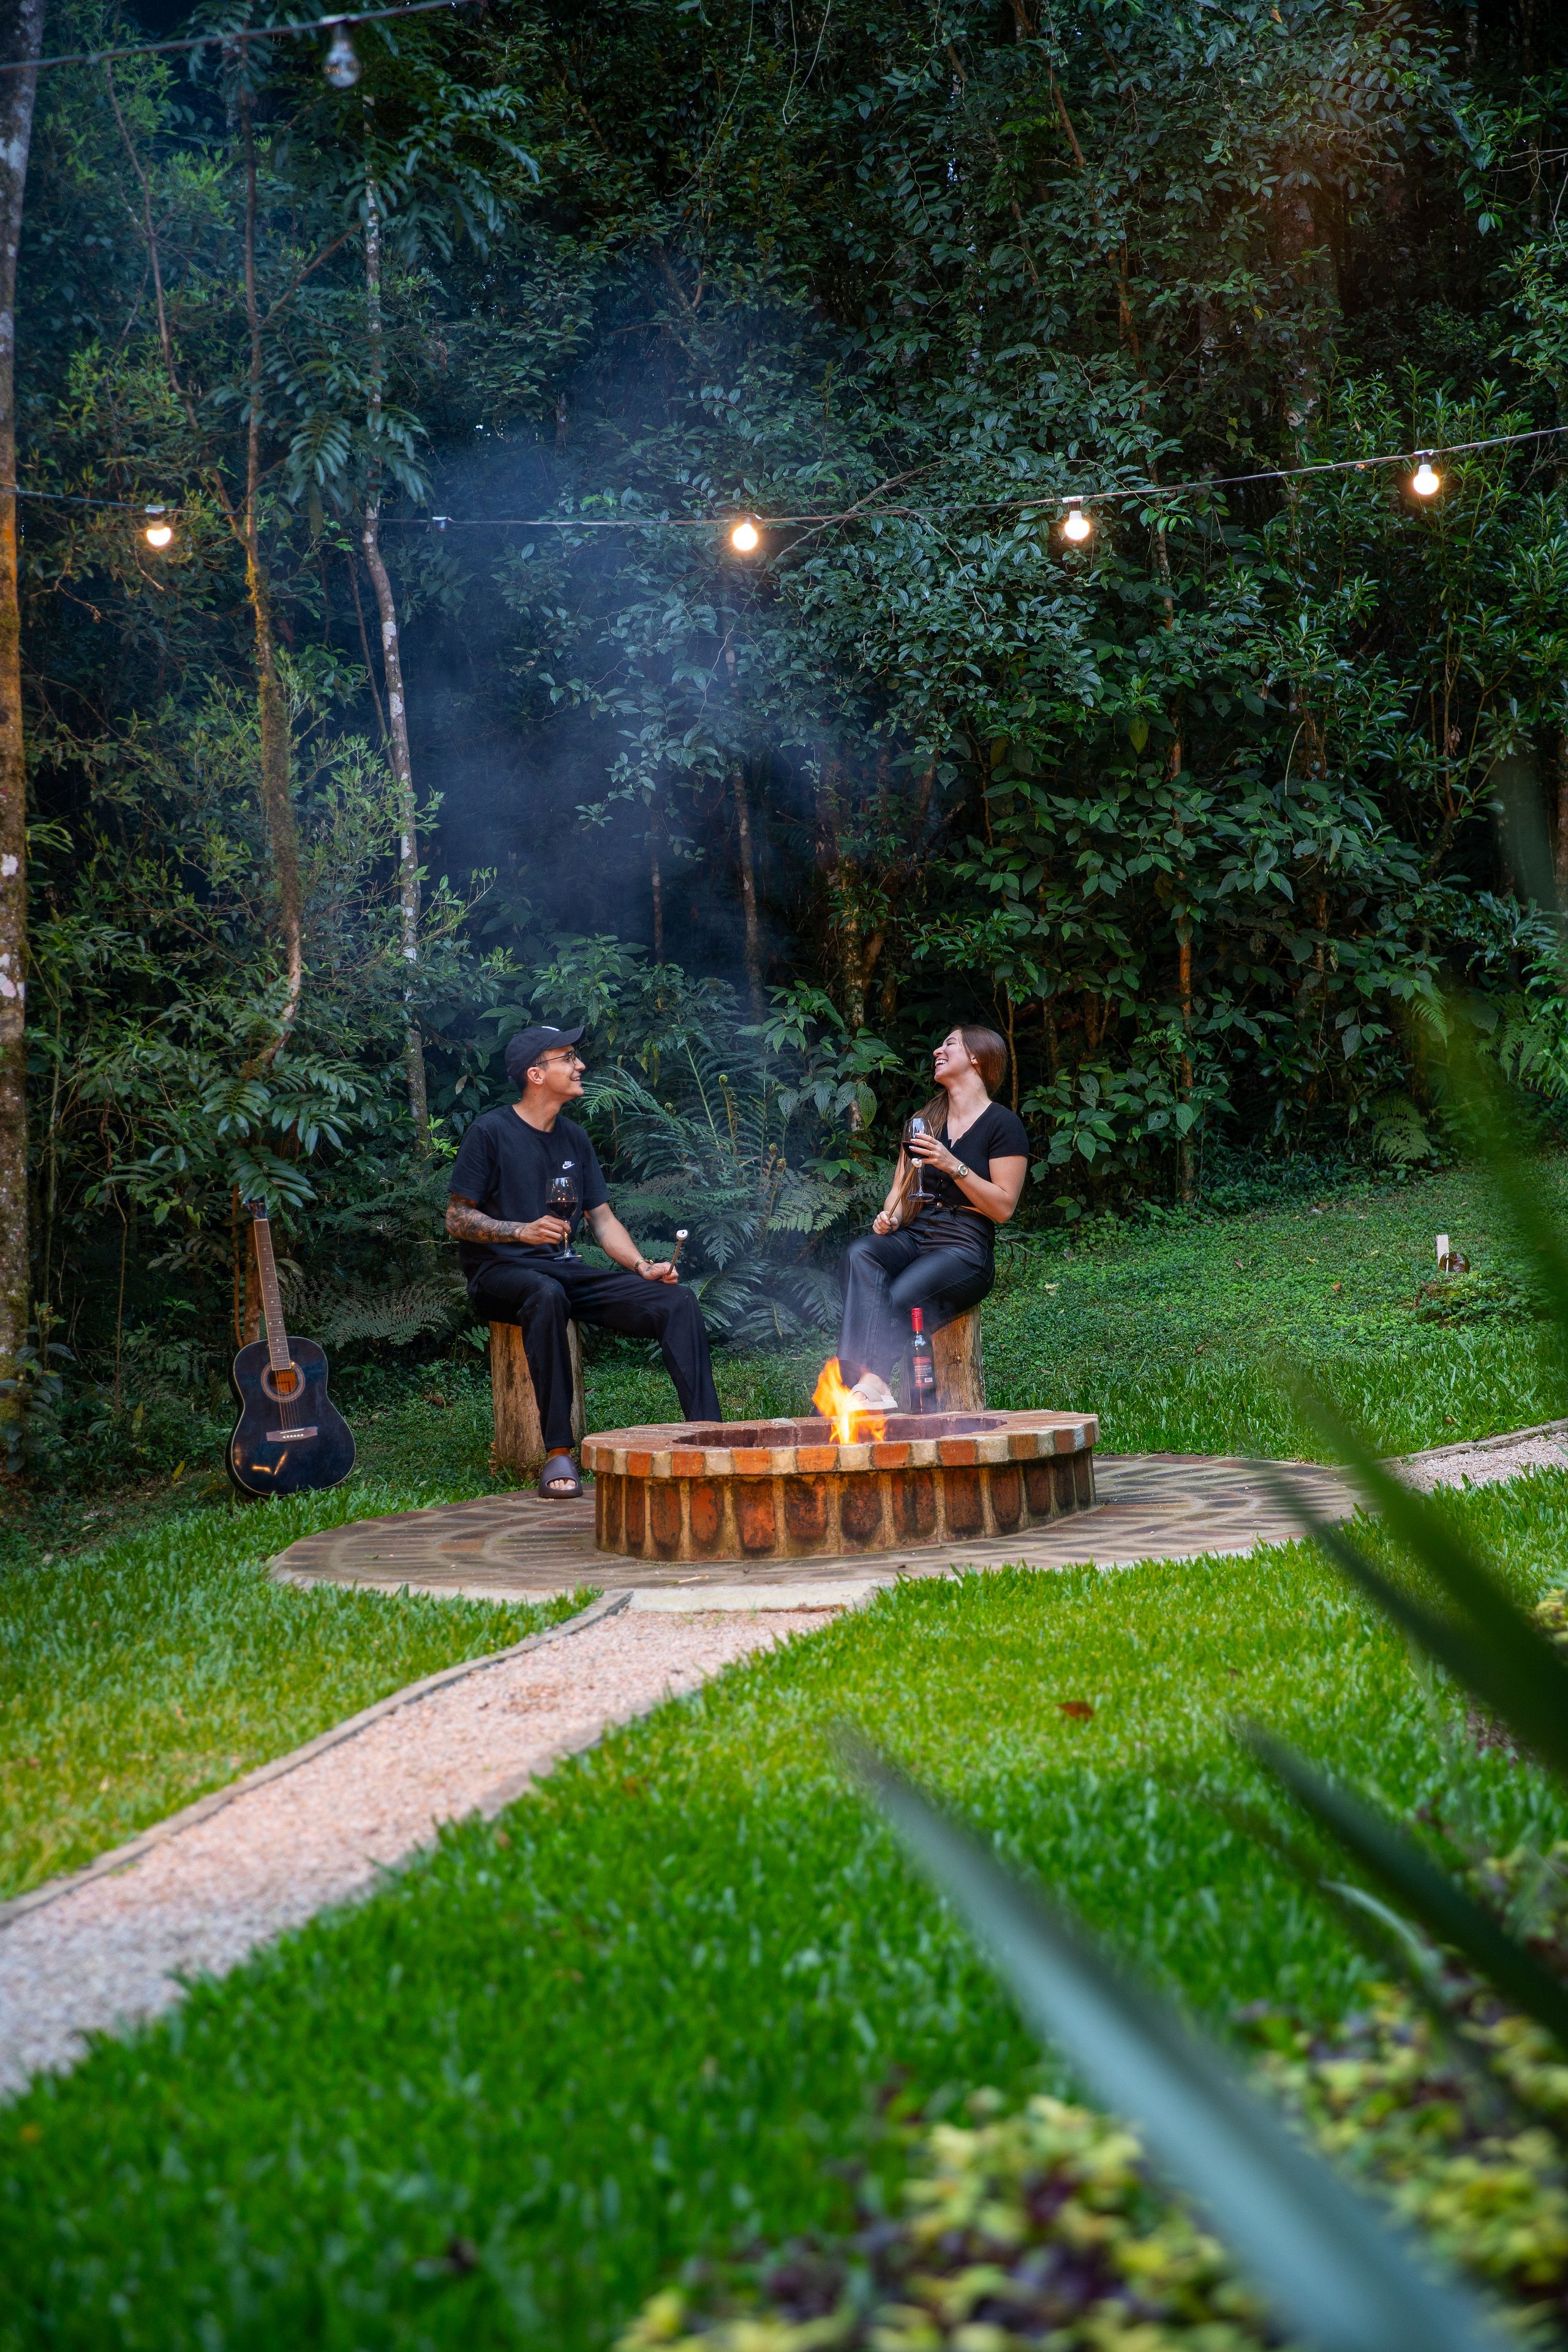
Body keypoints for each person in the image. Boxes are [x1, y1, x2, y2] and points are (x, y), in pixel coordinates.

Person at [446, 1022, 722, 1496]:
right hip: (500, 1273)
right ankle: (558, 1453)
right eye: (568, 1058)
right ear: (536, 1074)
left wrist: (643, 1266)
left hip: (564, 1269)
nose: (581, 1066)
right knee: (546, 1293)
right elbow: (456, 1217)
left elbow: (604, 1221)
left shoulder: (573, 1138)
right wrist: (519, 1231)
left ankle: (710, 1437)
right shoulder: (490, 1132)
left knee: (677, 1302)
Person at [837, 1025, 1028, 1408]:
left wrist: (953, 1164)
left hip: (964, 1243)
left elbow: (1004, 1208)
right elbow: (901, 1190)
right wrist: (891, 1217)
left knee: (898, 1296)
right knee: (860, 1253)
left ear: (976, 1057)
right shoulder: (925, 1119)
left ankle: (871, 1381)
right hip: (917, 1231)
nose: (938, 1051)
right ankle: (860, 1382)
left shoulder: (1003, 1124)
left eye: (950, 1044)